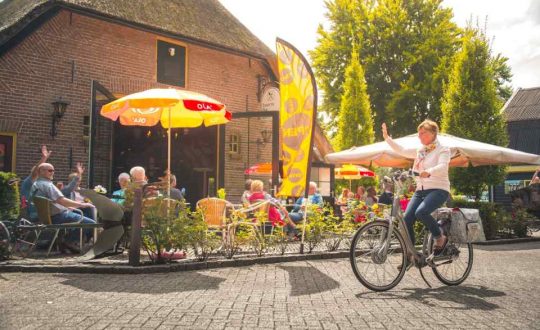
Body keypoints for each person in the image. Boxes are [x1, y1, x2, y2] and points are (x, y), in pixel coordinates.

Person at [382, 120, 450, 255]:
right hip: (421, 190)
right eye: (418, 134)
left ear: (432, 133)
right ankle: (411, 254)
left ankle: (439, 237)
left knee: (421, 212)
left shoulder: (443, 149)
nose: (419, 136)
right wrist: (387, 138)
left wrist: (429, 171)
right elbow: (402, 150)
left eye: (422, 133)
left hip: (438, 189)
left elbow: (443, 166)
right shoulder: (421, 151)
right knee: (407, 220)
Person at [30, 163, 96, 253]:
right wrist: (82, 205)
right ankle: (69, 242)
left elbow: (56, 201)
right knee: (90, 223)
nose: (52, 172)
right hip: (58, 216)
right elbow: (62, 201)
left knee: (85, 211)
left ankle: (66, 242)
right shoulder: (47, 185)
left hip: (48, 217)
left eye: (53, 170)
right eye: (50, 170)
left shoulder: (36, 184)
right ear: (41, 171)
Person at [20, 145, 51, 220]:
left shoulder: (42, 184)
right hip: (34, 215)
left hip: (45, 213)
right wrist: (44, 158)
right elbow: (35, 174)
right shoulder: (28, 183)